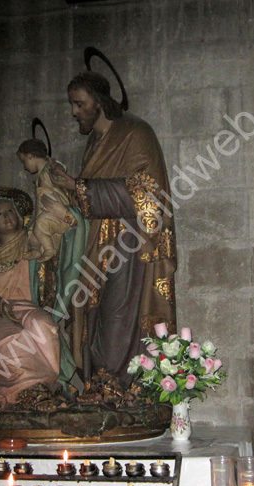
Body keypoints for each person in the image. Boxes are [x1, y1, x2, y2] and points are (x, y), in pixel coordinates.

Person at [49, 71, 177, 386]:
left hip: (128, 246)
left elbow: (149, 193)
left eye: (79, 104)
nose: (74, 112)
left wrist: (80, 187)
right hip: (95, 246)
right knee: (96, 318)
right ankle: (101, 386)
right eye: (72, 105)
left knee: (118, 316)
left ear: (100, 101)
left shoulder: (136, 133)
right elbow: (90, 196)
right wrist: (68, 194)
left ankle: (121, 387)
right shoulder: (94, 144)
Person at [0, 187, 68, 405]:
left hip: (27, 308)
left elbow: (57, 243)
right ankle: (26, 387)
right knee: (14, 340)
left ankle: (48, 380)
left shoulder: (34, 244)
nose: (6, 217)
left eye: (10, 211)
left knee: (43, 324)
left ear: (21, 218)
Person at [16, 138, 73, 262]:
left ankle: (49, 249)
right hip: (46, 214)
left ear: (30, 156)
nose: (24, 167)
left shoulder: (49, 168)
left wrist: (55, 166)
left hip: (57, 213)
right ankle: (36, 250)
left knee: (39, 226)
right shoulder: (40, 177)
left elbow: (60, 169)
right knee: (31, 233)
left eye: (23, 161)